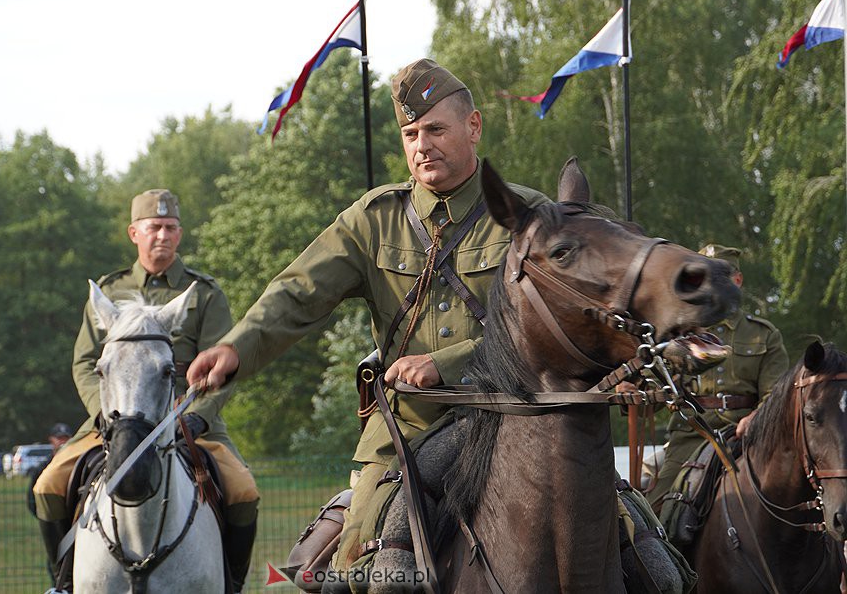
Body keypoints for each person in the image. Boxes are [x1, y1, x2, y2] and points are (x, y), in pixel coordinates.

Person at [187, 59, 548, 577]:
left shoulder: (527, 216)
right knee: (365, 563)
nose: (422, 144)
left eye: (436, 129)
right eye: (411, 132)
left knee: (634, 545)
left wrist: (447, 364)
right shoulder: (373, 219)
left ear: (473, 127)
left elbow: (547, 327)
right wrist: (236, 347)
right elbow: (297, 293)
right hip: (406, 429)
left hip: (515, 417)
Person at [32, 189, 259, 591]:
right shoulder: (108, 290)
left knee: (242, 491)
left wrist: (196, 416)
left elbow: (223, 366)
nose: (163, 235)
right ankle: (63, 584)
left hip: (189, 421)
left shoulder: (204, 293)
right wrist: (105, 416)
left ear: (180, 233)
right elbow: (85, 363)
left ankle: (232, 584)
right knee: (47, 486)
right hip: (112, 423)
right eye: (154, 227)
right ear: (133, 232)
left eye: (171, 228)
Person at [645, 243, 788, 512]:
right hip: (692, 434)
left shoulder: (763, 334)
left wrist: (756, 418)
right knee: (656, 512)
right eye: (702, 279)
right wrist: (640, 386)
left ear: (737, 280)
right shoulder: (677, 334)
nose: (710, 286)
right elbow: (651, 398)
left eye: (719, 278)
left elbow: (776, 394)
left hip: (747, 436)